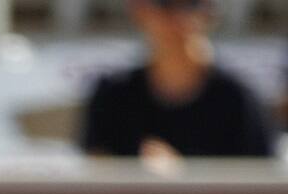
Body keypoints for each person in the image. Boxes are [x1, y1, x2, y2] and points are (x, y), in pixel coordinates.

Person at [80, 0, 275, 159]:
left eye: (191, 3)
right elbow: (94, 176)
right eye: (164, 3)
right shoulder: (112, 98)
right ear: (139, 9)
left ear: (210, 9)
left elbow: (260, 183)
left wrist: (180, 179)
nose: (179, 16)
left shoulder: (238, 99)